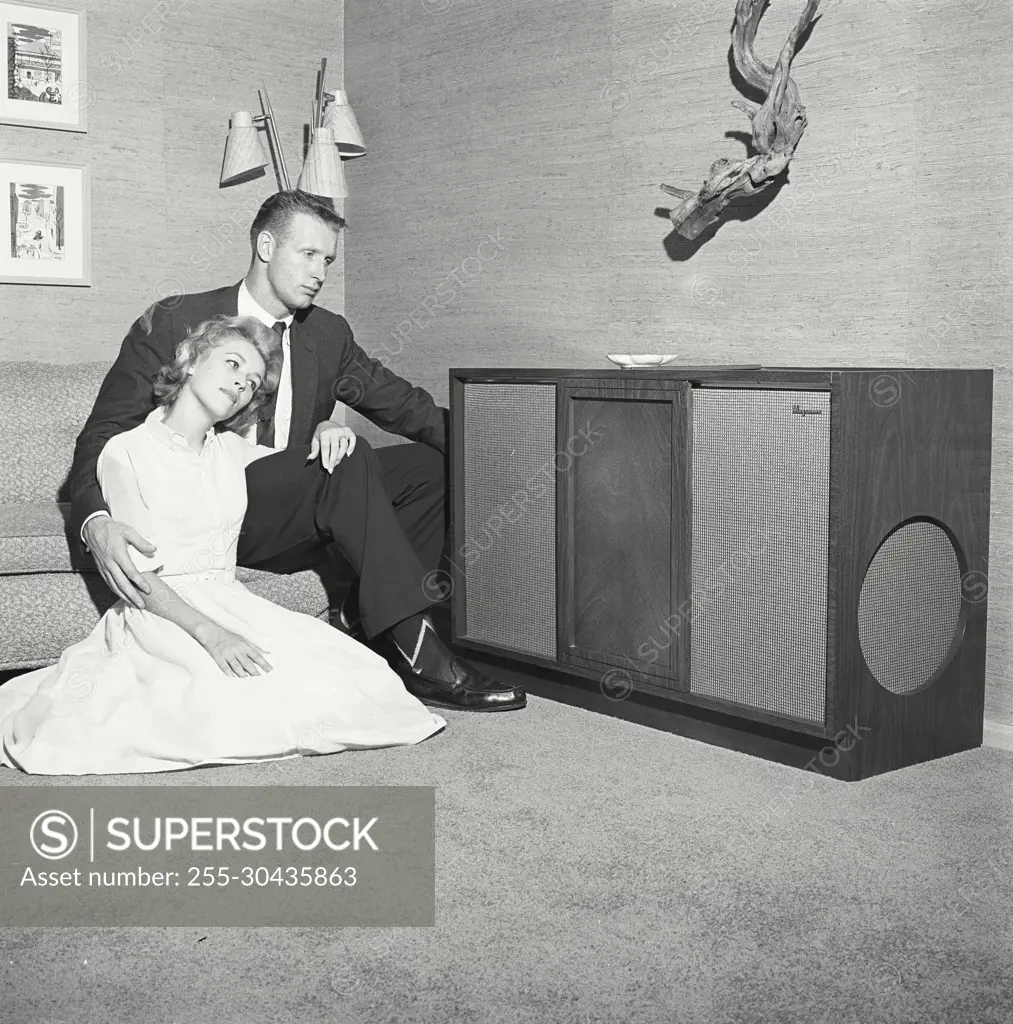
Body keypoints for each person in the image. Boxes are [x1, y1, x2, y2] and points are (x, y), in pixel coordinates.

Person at [69, 189, 525, 713]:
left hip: (294, 503)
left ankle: (365, 621)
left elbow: (404, 405)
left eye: (327, 260)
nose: (320, 273)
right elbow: (103, 434)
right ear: (266, 245)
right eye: (308, 255)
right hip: (214, 507)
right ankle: (420, 651)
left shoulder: (327, 333)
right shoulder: (177, 321)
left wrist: (496, 451)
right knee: (347, 458)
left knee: (431, 466)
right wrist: (95, 521)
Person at [0, 316, 447, 775]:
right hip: (165, 615)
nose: (241, 384)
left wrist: (325, 430)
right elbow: (136, 578)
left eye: (252, 382)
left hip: (232, 600)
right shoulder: (125, 450)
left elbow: (306, 476)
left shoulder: (232, 450)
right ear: (191, 362)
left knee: (364, 686)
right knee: (217, 712)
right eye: (233, 364)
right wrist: (211, 635)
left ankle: (392, 633)